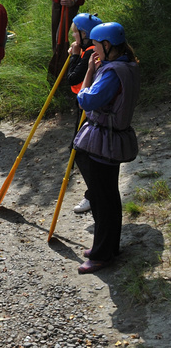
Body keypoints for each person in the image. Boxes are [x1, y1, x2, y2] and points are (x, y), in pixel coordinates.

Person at [72, 22, 140, 275]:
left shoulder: (112, 72)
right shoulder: (126, 65)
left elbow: (86, 99)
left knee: (104, 197)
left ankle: (103, 254)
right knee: (107, 195)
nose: (95, 50)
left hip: (105, 141)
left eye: (97, 46)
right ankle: (109, 246)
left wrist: (89, 73)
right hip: (110, 138)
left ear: (108, 45)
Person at [65, 12, 103, 214]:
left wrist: (73, 56)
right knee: (80, 150)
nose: (73, 38)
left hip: (86, 107)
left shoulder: (89, 52)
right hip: (83, 104)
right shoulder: (90, 50)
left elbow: (72, 78)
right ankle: (94, 192)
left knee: (79, 151)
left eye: (75, 34)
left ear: (85, 34)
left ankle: (94, 194)